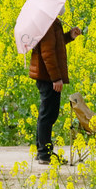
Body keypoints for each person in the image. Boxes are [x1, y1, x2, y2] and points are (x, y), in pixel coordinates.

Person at [29, 10, 82, 165]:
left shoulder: (52, 21)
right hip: (47, 77)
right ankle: (45, 154)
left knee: (46, 114)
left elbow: (56, 44)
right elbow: (48, 53)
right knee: (48, 114)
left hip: (47, 76)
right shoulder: (47, 24)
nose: (63, 7)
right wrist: (56, 78)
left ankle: (41, 151)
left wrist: (70, 36)